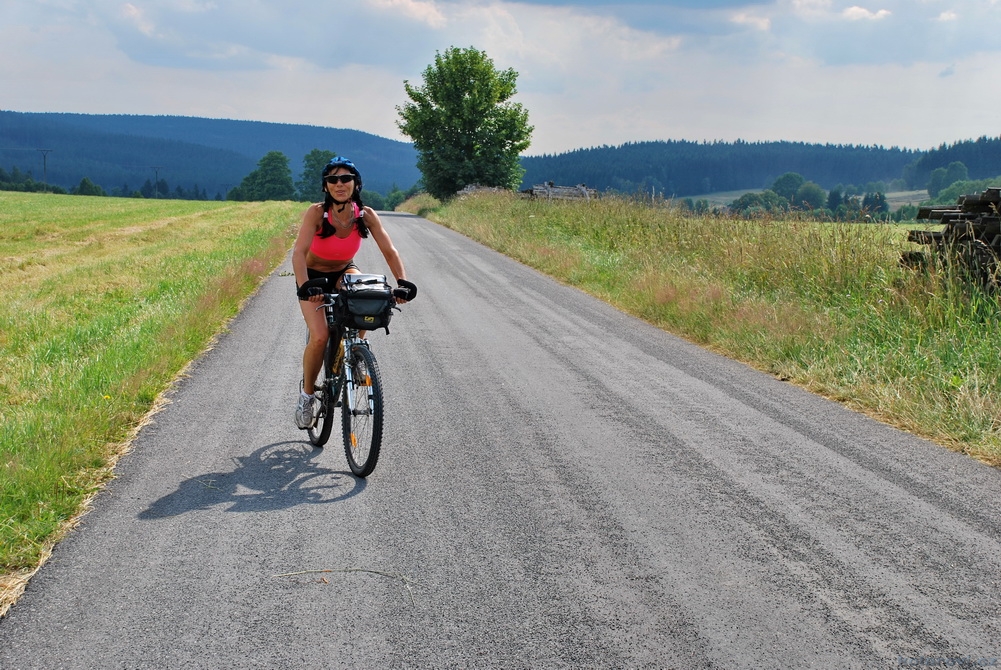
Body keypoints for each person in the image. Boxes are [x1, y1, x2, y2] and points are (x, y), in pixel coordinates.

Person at [291, 156, 411, 429]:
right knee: (320, 337)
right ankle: (307, 396)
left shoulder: (364, 215)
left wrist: (403, 282)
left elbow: (389, 251)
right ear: (326, 186)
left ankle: (355, 351)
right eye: (333, 179)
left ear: (356, 184)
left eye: (346, 178)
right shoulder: (317, 213)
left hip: (344, 269)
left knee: (368, 295)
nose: (339, 184)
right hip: (312, 276)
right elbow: (298, 253)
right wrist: (305, 286)